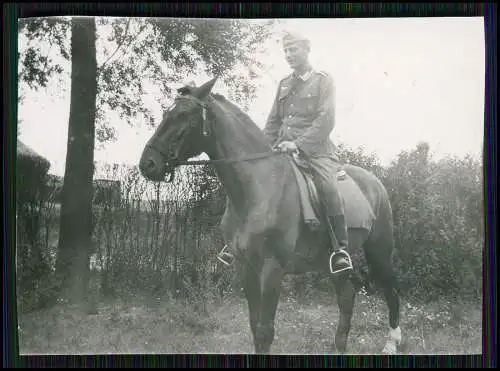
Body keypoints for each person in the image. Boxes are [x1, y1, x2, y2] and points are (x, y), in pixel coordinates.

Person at [263, 31, 351, 275]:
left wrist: (299, 144)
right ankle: (238, 240)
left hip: (315, 151)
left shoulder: (323, 80)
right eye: (286, 51)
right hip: (281, 149)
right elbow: (273, 121)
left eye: (294, 50)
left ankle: (340, 249)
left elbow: (326, 120)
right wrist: (261, 148)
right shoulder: (283, 84)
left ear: (306, 50)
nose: (289, 55)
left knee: (328, 187)